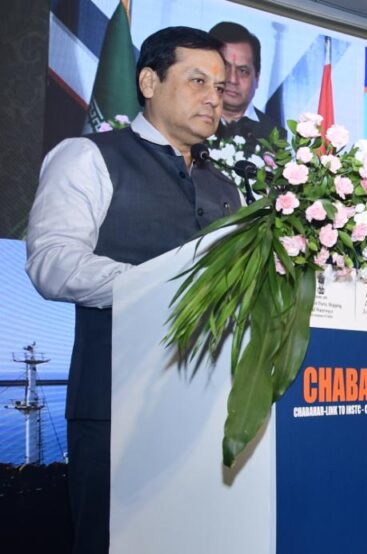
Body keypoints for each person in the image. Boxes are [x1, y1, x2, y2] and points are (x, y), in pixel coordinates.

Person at [25, 27, 240, 553]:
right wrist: (163, 286)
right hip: (116, 407)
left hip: (211, 410)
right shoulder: (87, 156)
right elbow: (51, 263)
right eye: (197, 81)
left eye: (220, 86)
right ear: (148, 82)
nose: (214, 98)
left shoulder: (225, 187)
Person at [208, 21, 282, 151]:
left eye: (242, 71)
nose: (232, 79)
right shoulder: (189, 116)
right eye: (225, 67)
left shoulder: (275, 135)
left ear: (257, 78)